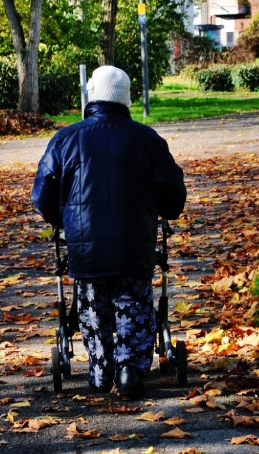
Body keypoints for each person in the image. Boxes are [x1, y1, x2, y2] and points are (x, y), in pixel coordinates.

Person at [31, 66, 186, 397]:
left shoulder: (66, 139)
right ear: (126, 98)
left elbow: (41, 196)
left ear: (91, 97)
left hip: (86, 250)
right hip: (135, 248)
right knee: (134, 303)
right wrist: (163, 209)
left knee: (92, 307)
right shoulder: (148, 139)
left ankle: (100, 370)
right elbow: (174, 196)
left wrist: (61, 219)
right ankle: (129, 368)